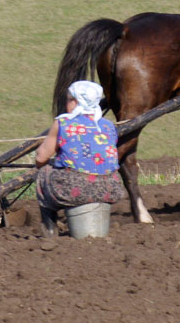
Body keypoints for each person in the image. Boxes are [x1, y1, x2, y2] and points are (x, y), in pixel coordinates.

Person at [34, 80, 126, 236]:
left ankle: (49, 228)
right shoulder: (108, 125)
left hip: (75, 189)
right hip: (111, 188)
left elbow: (41, 158)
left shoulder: (63, 123)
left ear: (75, 101)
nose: (66, 104)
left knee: (43, 173)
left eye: (68, 100)